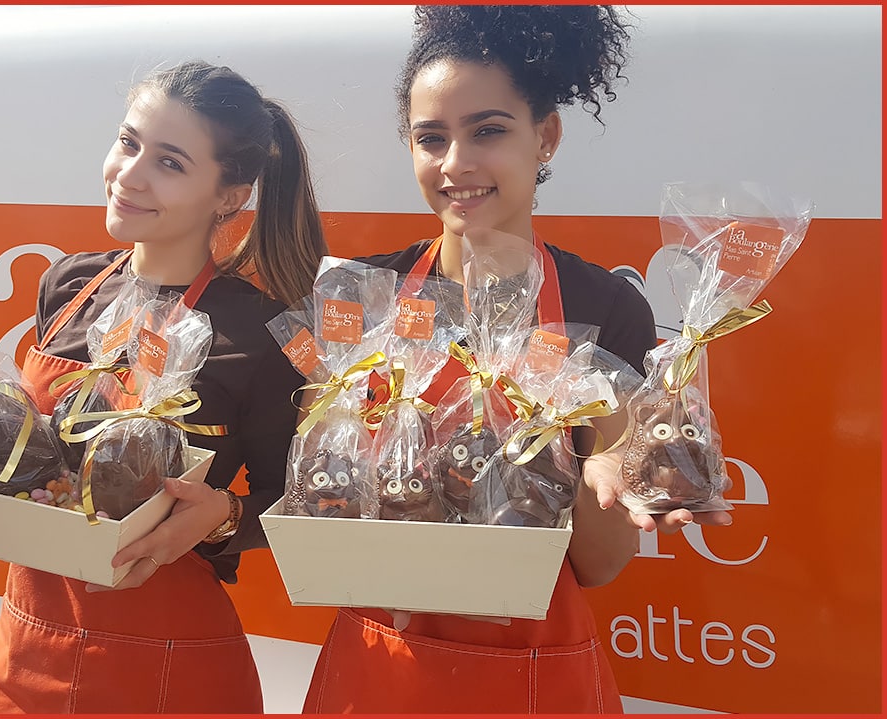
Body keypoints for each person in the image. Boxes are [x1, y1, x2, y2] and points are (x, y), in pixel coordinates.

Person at [301, 6, 733, 714]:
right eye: (431, 138)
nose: (456, 164)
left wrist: (601, 468)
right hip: (376, 667)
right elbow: (328, 501)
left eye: (488, 131)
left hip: (534, 673)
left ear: (547, 136)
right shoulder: (361, 299)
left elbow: (599, 564)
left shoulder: (604, 307)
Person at [0, 60, 326, 713]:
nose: (129, 174)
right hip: (23, 649)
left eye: (169, 162)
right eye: (128, 142)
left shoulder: (259, 332)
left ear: (228, 195)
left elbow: (299, 506)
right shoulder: (67, 285)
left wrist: (224, 515)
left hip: (166, 668)